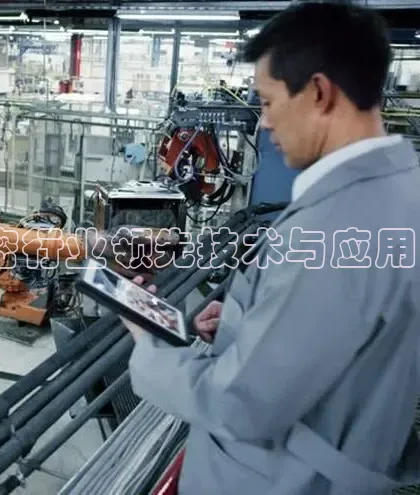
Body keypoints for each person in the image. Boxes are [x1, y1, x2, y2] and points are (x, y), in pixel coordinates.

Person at [123, 3, 420, 495]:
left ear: (319, 92)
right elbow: (341, 331)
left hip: (279, 478)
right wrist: (247, 318)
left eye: (267, 101)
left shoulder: (335, 227)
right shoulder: (399, 189)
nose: (263, 123)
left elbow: (240, 405)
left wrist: (148, 344)